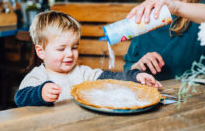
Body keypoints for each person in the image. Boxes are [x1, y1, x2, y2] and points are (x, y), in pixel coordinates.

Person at [15, 11, 161, 107]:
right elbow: (20, 98)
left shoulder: (83, 73)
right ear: (41, 52)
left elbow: (112, 78)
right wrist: (40, 93)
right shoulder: (39, 76)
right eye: (61, 49)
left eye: (74, 47)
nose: (69, 54)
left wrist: (136, 75)